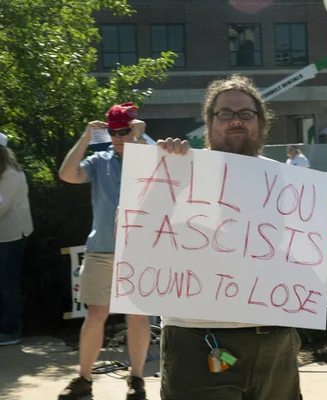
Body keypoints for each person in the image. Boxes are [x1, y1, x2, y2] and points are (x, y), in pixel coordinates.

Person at [157, 75, 302, 399]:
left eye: (246, 113)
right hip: (199, 341)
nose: (235, 120)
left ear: (261, 122)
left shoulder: (287, 182)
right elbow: (134, 236)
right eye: (225, 113)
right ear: (209, 122)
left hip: (274, 344)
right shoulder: (178, 171)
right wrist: (162, 171)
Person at [57, 103, 151, 400]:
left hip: (140, 250)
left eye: (124, 130)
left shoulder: (147, 153)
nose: (119, 137)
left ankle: (136, 378)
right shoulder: (100, 160)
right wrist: (86, 136)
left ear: (134, 128)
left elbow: (150, 176)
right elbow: (67, 175)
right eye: (114, 132)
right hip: (102, 249)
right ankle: (83, 378)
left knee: (137, 316)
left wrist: (138, 140)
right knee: (96, 314)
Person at [0, 132, 34, 346]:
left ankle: (10, 331)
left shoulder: (10, 175)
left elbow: (0, 207)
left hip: (11, 236)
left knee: (7, 284)